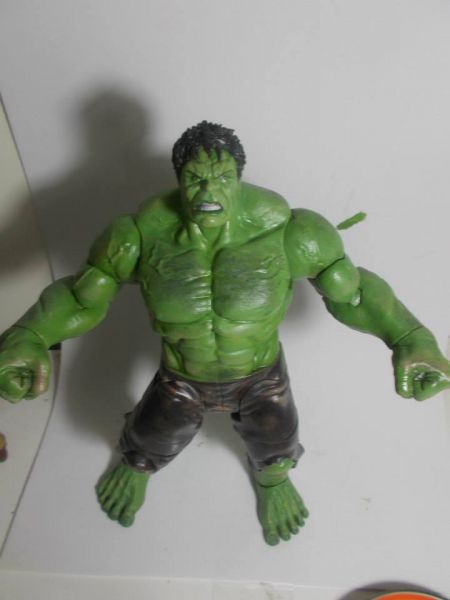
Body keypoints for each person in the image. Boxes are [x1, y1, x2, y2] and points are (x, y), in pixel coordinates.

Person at [0, 121, 448, 546]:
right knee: (149, 438)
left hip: (261, 375)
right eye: (195, 180)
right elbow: (80, 297)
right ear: (179, 180)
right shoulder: (138, 235)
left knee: (276, 444)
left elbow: (353, 294)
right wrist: (29, 335)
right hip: (181, 374)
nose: (208, 192)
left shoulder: (290, 231)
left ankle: (272, 481)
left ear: (239, 177)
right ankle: (138, 465)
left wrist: (411, 337)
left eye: (222, 179)